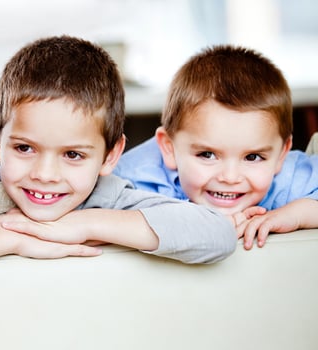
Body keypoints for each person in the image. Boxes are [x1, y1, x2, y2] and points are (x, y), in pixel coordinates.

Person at [0, 35, 237, 279]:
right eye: (24, 148)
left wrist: (85, 225)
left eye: (73, 155)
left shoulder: (106, 196)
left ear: (110, 156)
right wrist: (12, 239)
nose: (45, 174)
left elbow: (216, 233)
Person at [113, 45, 318, 250]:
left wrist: (297, 214)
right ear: (169, 148)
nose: (230, 177)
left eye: (253, 157)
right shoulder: (133, 180)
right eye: (207, 154)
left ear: (281, 155)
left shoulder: (288, 178)